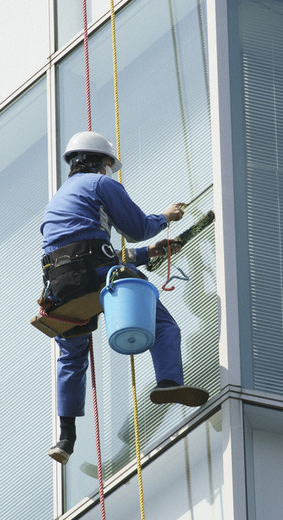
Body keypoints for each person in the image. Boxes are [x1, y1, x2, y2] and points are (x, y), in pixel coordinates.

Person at [40, 131, 209, 464]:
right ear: (102, 162)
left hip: (58, 287)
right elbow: (135, 229)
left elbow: (86, 252)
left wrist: (147, 254)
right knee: (160, 322)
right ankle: (168, 381)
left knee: (72, 356)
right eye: (107, 164)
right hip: (95, 273)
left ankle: (65, 437)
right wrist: (166, 217)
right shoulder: (102, 185)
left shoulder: (57, 201)